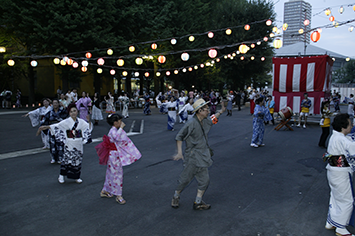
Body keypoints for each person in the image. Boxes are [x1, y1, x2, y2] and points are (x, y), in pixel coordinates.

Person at [171, 98, 226, 210]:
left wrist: (221, 111)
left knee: (205, 181)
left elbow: (213, 120)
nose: (208, 111)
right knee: (185, 180)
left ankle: (198, 202)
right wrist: (179, 153)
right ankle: (176, 196)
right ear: (199, 111)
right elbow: (179, 137)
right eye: (206, 109)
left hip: (203, 156)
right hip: (192, 156)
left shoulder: (204, 121)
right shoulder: (191, 123)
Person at [39, 103, 92, 184]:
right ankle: (61, 175)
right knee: (67, 160)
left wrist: (89, 121)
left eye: (74, 111)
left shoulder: (81, 122)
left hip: (78, 143)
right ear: (69, 113)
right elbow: (57, 126)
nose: (73, 113)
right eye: (71, 112)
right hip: (69, 143)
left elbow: (87, 128)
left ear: (77, 111)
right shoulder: (66, 121)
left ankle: (76, 176)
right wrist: (47, 127)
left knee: (77, 160)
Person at [97, 114, 142, 204]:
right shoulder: (114, 131)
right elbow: (117, 137)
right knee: (117, 174)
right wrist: (121, 128)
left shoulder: (114, 130)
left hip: (114, 154)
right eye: (120, 121)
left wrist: (120, 129)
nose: (121, 123)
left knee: (111, 173)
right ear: (115, 122)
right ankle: (118, 195)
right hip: (114, 155)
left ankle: (105, 190)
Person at [324, 113, 355, 236]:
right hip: (341, 173)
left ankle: (331, 222)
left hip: (332, 171)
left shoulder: (335, 136)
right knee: (347, 200)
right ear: (344, 127)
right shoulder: (343, 140)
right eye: (350, 123)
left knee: (336, 197)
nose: (352, 125)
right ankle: (341, 228)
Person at [41, 99, 68, 163]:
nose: (55, 104)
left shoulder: (61, 112)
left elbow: (66, 115)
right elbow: (45, 120)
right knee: (52, 144)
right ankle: (53, 158)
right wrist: (44, 127)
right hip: (52, 130)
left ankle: (60, 158)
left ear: (58, 104)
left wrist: (64, 106)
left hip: (60, 130)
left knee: (60, 144)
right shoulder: (50, 113)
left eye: (56, 103)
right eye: (54, 103)